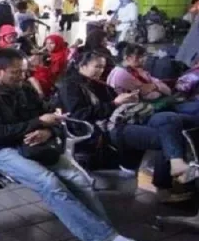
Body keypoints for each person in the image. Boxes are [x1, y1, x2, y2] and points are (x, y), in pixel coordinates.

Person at [0, 48, 163, 241]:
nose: (22, 77)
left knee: (80, 181)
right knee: (49, 183)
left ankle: (107, 238)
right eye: (15, 73)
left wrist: (47, 132)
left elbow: (53, 119)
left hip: (35, 145)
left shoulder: (25, 90)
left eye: (24, 72)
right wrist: (37, 123)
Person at [60, 52, 199, 196]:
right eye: (97, 67)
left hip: (127, 117)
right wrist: (115, 103)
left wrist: (130, 99)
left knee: (169, 118)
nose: (101, 70)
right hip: (107, 128)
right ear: (82, 66)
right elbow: (80, 114)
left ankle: (176, 164)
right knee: (168, 137)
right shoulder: (71, 86)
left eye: (102, 67)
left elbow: (117, 103)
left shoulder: (99, 84)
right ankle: (165, 186)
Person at [107, 43, 199, 118]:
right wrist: (155, 85)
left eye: (143, 56)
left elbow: (158, 88)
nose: (143, 60)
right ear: (128, 58)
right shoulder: (122, 74)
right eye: (138, 57)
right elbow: (149, 92)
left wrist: (154, 85)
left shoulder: (132, 70)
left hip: (152, 105)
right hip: (145, 110)